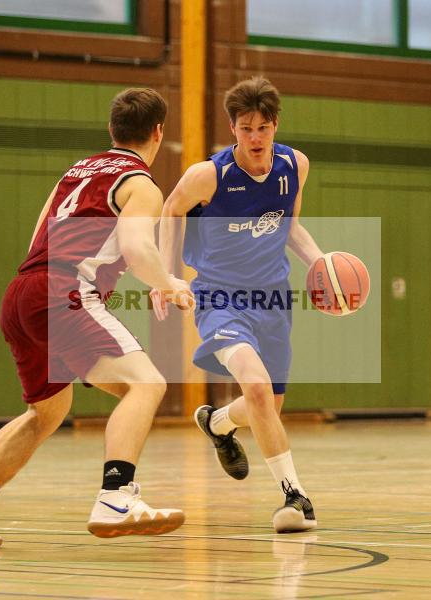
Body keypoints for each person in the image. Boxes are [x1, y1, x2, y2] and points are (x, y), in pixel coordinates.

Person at [0, 88, 193, 548]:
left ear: (112, 129)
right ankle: (116, 496)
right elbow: (138, 248)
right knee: (147, 384)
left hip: (22, 292)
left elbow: (40, 234)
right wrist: (169, 283)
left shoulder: (75, 172)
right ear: (158, 132)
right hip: (64, 293)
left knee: (46, 412)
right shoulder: (141, 184)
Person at [155, 76, 323, 533]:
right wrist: (167, 275)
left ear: (275, 125)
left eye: (262, 128)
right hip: (220, 298)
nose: (255, 137)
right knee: (257, 387)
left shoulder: (295, 165)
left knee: (268, 405)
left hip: (273, 298)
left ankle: (218, 423)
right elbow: (171, 209)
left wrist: (321, 262)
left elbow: (289, 227)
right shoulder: (209, 176)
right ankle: (295, 497)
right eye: (245, 128)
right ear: (232, 128)